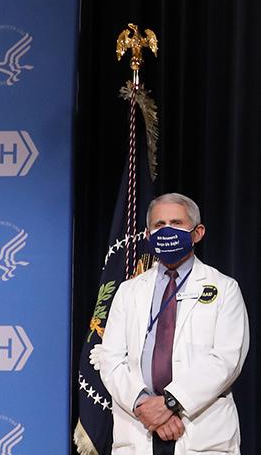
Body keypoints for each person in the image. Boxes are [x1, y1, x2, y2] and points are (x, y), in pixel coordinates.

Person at [95, 193, 249, 454]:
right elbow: (110, 359)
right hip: (140, 427)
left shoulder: (225, 288)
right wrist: (145, 405)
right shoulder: (128, 291)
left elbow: (226, 359)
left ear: (197, 233)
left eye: (176, 223)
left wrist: (169, 403)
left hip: (200, 430)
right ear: (147, 235)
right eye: (159, 225)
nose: (167, 231)